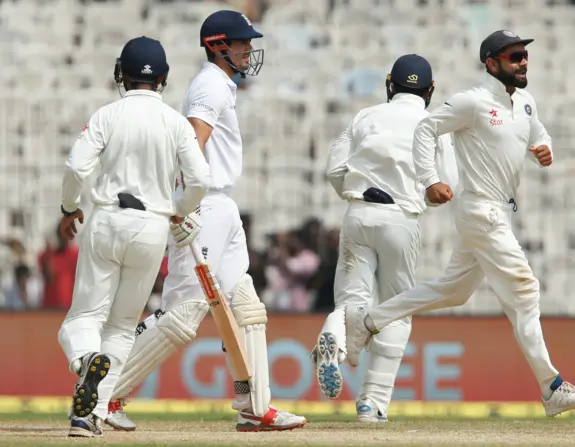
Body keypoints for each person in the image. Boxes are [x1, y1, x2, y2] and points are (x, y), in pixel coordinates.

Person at [344, 30, 575, 417]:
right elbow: (426, 128)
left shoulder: (526, 103)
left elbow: (538, 133)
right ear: (491, 63)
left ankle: (369, 320)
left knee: (454, 291)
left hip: (498, 211)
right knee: (525, 289)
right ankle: (552, 388)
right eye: (514, 56)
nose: (522, 61)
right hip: (481, 210)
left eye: (524, 55)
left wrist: (544, 150)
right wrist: (430, 180)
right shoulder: (473, 102)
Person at [106, 11, 307, 432]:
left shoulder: (223, 85)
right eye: (242, 43)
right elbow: (192, 146)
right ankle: (105, 395)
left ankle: (255, 407)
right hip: (205, 204)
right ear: (219, 46)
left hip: (223, 205)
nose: (249, 51)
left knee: (247, 307)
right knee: (183, 313)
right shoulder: (209, 86)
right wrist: (184, 206)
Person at [57, 36, 210, 438]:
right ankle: (90, 415)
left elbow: (76, 167)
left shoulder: (107, 114)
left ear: (119, 74)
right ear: (162, 79)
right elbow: (201, 180)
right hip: (152, 227)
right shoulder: (176, 122)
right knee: (123, 327)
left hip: (108, 219)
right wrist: (178, 208)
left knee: (84, 318)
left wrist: (69, 207)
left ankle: (84, 361)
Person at [311, 54, 458, 422]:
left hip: (359, 213)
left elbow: (334, 168)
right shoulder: (434, 124)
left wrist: (354, 191)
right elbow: (447, 186)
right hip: (401, 219)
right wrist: (420, 197)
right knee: (396, 309)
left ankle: (336, 337)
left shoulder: (365, 116)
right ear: (430, 91)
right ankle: (371, 404)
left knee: (351, 301)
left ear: (390, 84)